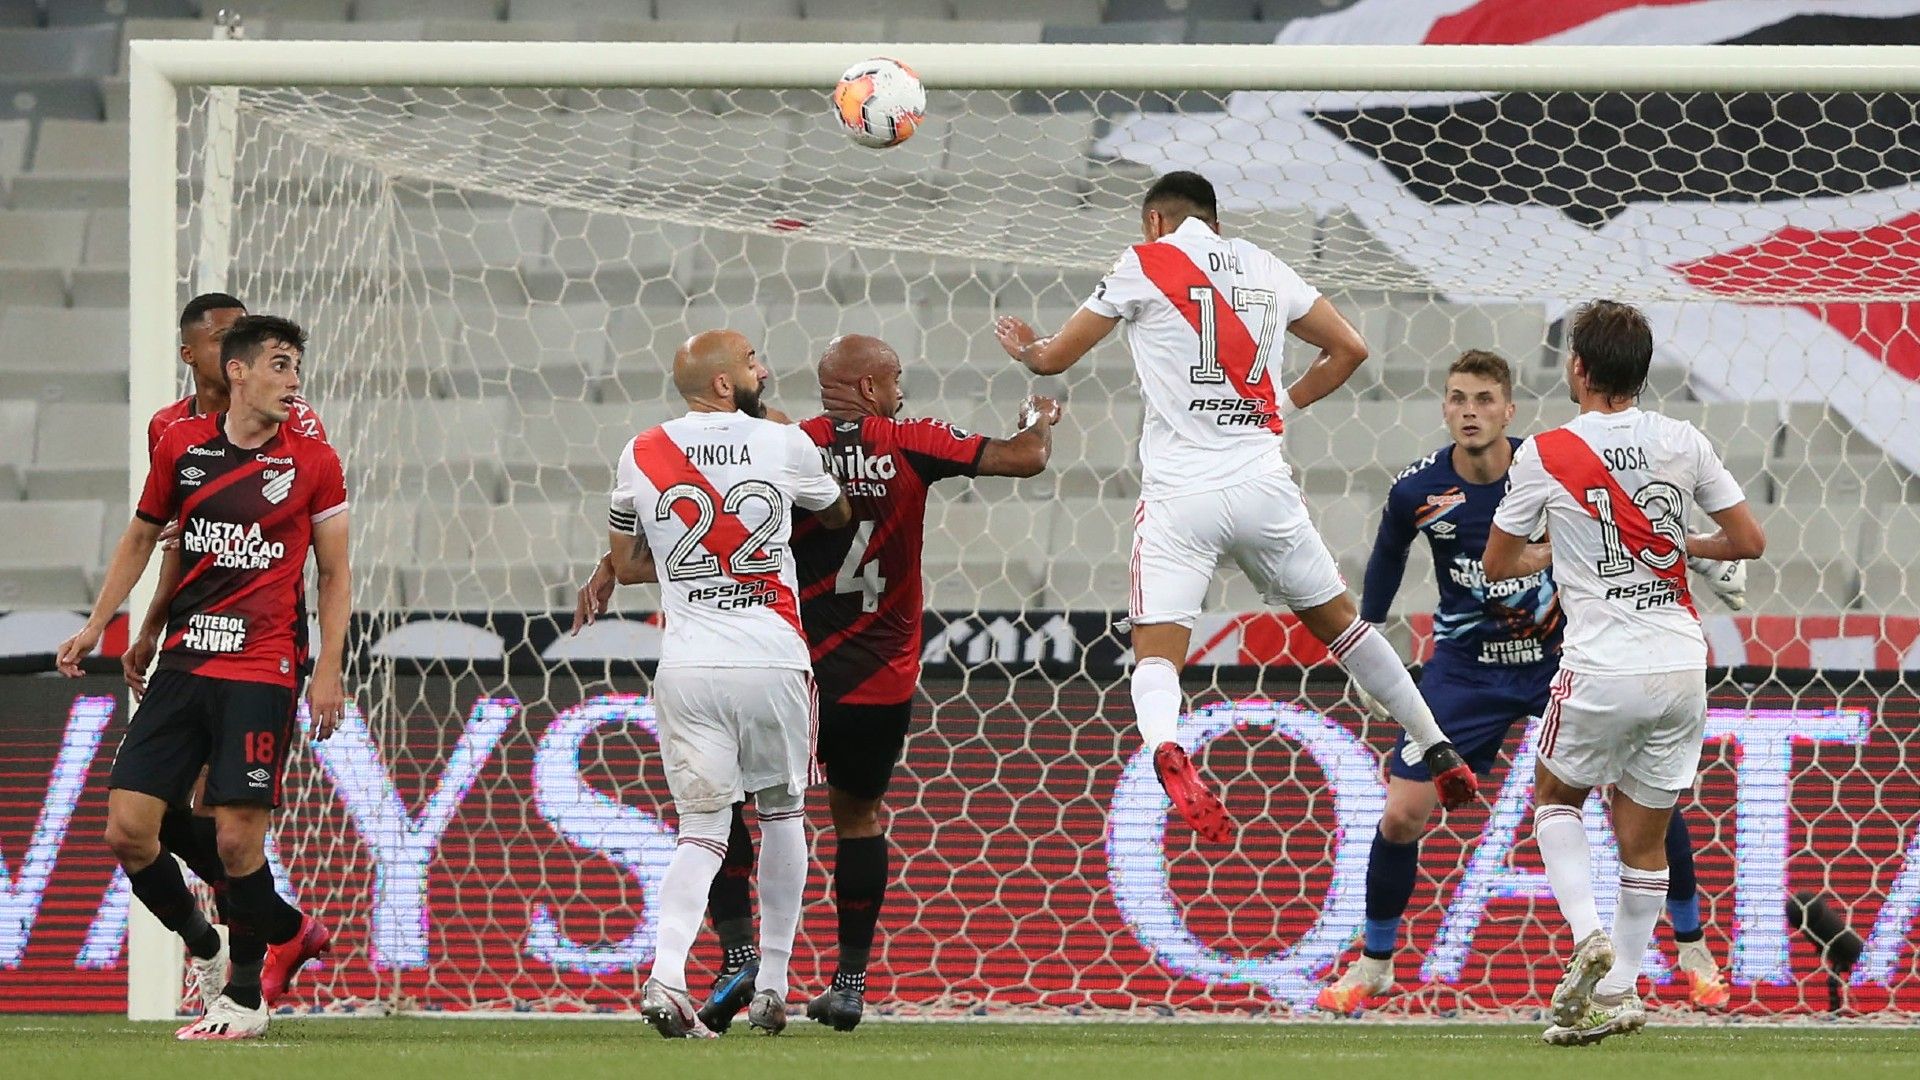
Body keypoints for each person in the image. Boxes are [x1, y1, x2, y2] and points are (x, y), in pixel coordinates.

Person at [993, 170, 1478, 841]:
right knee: (1343, 626)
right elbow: (1351, 349)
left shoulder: (1146, 262)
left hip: (1180, 497)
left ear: (1155, 222)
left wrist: (1027, 348)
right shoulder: (1265, 265)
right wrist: (1283, 405)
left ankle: (1166, 745)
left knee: (1156, 654)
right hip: (1262, 487)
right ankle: (1435, 743)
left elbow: (1053, 360)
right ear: (1215, 222)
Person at [620, 334, 1060, 1034]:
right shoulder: (906, 439)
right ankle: (847, 983)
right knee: (853, 817)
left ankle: (739, 956)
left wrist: (610, 565)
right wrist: (1039, 417)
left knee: (722, 808)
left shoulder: (792, 440)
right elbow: (1025, 457)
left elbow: (679, 519)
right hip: (873, 674)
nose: (902, 391)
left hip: (792, 659)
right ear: (870, 388)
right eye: (896, 379)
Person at [1316, 350, 1733, 1014]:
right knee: (1400, 815)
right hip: (1465, 670)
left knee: (1644, 802)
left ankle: (1692, 949)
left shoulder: (1549, 464)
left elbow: (1632, 521)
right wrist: (1369, 642)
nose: (1470, 412)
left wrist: (1703, 558)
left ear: (1509, 410)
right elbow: (1388, 554)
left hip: (1562, 658)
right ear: (1444, 409)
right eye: (1458, 399)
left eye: (1484, 400)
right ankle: (1375, 963)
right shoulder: (1418, 491)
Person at [56, 315, 349, 1040]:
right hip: (184, 662)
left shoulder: (314, 460)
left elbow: (335, 574)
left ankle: (244, 1000)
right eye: (280, 364)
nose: (294, 379)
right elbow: (145, 538)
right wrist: (104, 624)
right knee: (128, 830)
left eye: (297, 366)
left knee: (236, 841)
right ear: (235, 370)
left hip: (262, 666)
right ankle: (213, 943)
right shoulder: (180, 447)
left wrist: (328, 669)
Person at [1483, 300, 1764, 1046]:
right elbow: (1748, 540)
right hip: (1681, 663)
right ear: (1642, 372)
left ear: (1577, 369)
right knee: (1645, 839)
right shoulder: (1683, 439)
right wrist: (1681, 547)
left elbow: (1498, 564)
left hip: (1602, 665)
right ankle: (1621, 990)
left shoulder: (1546, 453)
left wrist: (1559, 550)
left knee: (1555, 798)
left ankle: (1588, 937)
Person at [602, 329, 851, 1038]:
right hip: (772, 659)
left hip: (688, 666)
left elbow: (627, 564)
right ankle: (772, 984)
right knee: (782, 814)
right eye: (750, 362)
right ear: (722, 383)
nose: (762, 369)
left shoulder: (640, 450)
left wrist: (693, 565)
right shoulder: (783, 442)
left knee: (703, 831)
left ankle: (665, 976)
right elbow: (836, 513)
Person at [126, 293, 333, 1017]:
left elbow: (308, 539)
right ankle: (274, 929)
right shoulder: (170, 430)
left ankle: (247, 975)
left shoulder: (299, 426)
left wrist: (322, 662)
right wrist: (149, 625)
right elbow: (179, 541)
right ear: (198, 355)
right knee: (152, 818)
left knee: (229, 820)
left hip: (265, 643)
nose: (235, 343)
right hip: (190, 639)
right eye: (223, 336)